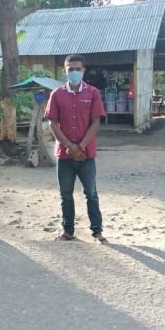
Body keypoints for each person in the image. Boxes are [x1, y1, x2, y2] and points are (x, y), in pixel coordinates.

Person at [45, 54, 107, 243]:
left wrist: (80, 147)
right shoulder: (57, 95)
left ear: (83, 71)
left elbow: (96, 123)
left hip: (86, 154)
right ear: (65, 71)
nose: (74, 72)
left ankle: (97, 232)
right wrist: (69, 147)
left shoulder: (93, 93)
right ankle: (68, 231)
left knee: (91, 194)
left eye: (77, 69)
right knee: (65, 195)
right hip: (64, 155)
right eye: (70, 69)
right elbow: (52, 124)